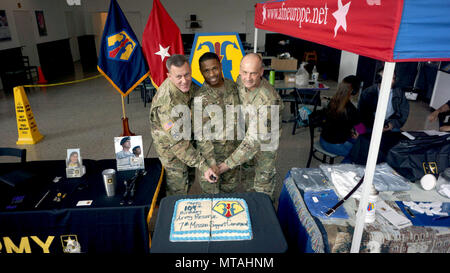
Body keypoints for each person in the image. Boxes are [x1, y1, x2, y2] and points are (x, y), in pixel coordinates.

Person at [217, 53, 283, 201]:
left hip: (264, 147)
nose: (248, 77)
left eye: (253, 73)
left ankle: (265, 218)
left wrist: (227, 165)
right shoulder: (240, 81)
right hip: (247, 138)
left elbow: (254, 141)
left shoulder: (268, 99)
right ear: (240, 71)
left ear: (261, 72)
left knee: (262, 190)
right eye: (245, 72)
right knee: (248, 182)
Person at [150, 54, 218, 196]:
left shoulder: (189, 85)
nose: (184, 80)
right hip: (171, 148)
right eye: (179, 77)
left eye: (187, 74)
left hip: (187, 137)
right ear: (169, 76)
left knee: (190, 176)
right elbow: (178, 144)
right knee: (178, 186)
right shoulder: (167, 104)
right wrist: (203, 166)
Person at [192, 52, 240, 194]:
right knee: (211, 199)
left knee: (229, 197)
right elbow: (201, 136)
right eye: (206, 71)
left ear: (220, 66)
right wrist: (212, 163)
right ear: (201, 72)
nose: (212, 74)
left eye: (214, 68)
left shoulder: (233, 87)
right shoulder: (200, 98)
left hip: (232, 155)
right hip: (211, 157)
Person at [357, 68, 409, 132]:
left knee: (400, 137)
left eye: (393, 78)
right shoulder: (367, 92)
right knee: (362, 137)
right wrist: (360, 132)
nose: (392, 81)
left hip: (389, 124)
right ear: (379, 79)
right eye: (389, 78)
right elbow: (360, 114)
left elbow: (404, 113)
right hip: (370, 124)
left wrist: (392, 124)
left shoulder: (399, 93)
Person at [320, 80, 360, 162]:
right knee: (358, 153)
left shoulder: (332, 101)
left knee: (357, 144)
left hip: (323, 139)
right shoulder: (351, 109)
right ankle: (339, 172)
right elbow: (360, 130)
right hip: (334, 144)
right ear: (353, 91)